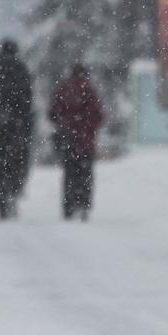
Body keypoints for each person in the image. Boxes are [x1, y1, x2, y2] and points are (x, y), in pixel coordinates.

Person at [0, 39, 36, 220]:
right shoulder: (20, 69)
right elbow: (27, 98)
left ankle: (2, 201)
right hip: (16, 126)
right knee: (16, 161)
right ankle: (13, 190)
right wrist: (25, 122)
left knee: (0, 164)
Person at [48, 62, 105, 221]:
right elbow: (99, 115)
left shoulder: (64, 88)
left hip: (69, 139)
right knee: (85, 173)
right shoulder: (90, 89)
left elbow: (52, 112)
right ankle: (84, 204)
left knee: (69, 173)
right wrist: (88, 127)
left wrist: (64, 123)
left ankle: (69, 205)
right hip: (86, 140)